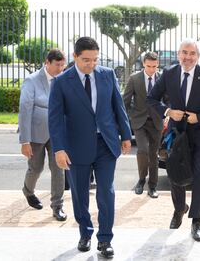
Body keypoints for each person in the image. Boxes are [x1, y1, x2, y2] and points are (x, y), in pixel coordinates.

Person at [48, 37, 132, 258]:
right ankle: (85, 232)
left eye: (95, 59)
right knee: (80, 194)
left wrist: (126, 135)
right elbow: (54, 119)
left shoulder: (107, 74)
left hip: (106, 143)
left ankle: (105, 240)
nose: (91, 64)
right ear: (75, 56)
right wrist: (59, 149)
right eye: (86, 59)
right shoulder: (61, 82)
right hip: (76, 147)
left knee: (106, 191)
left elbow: (118, 106)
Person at [147, 38, 200, 242]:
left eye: (192, 53)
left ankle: (196, 220)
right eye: (184, 52)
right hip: (177, 135)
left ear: (198, 56)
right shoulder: (169, 74)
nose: (188, 57)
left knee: (199, 175)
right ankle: (179, 210)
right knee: (175, 173)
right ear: (178, 54)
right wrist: (167, 111)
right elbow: (151, 99)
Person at [19, 49, 67, 221]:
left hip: (58, 133)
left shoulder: (64, 79)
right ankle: (28, 191)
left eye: (63, 65)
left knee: (59, 169)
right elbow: (25, 110)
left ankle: (57, 206)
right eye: (57, 65)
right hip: (36, 133)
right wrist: (24, 140)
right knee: (36, 168)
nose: (60, 69)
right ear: (47, 62)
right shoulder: (31, 81)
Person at [123, 51, 163, 198]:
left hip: (157, 122)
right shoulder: (134, 79)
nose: (151, 69)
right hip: (139, 121)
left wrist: (167, 114)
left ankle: (152, 186)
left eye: (154, 66)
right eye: (148, 66)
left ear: (157, 64)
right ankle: (141, 180)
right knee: (142, 150)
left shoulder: (162, 79)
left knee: (154, 154)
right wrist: (127, 120)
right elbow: (125, 102)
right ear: (143, 64)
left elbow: (168, 99)